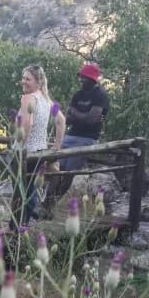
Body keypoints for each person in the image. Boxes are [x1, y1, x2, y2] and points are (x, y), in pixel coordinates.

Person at [44, 62, 109, 212]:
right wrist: (83, 116)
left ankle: (51, 205)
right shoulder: (77, 94)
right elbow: (69, 118)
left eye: (83, 77)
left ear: (92, 79)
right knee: (56, 169)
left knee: (69, 173)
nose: (80, 80)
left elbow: (92, 120)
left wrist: (77, 115)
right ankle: (46, 202)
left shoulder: (101, 96)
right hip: (71, 135)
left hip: (87, 138)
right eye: (80, 77)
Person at [12, 64, 65, 228]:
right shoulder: (46, 100)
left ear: (38, 81)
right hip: (40, 152)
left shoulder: (28, 99)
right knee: (30, 190)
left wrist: (20, 146)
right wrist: (56, 146)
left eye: (28, 79)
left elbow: (27, 123)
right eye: (23, 78)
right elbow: (61, 121)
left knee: (19, 191)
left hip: (25, 153)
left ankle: (15, 227)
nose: (23, 82)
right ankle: (24, 225)